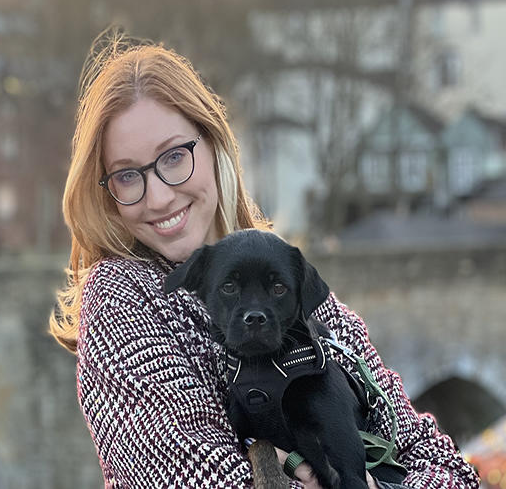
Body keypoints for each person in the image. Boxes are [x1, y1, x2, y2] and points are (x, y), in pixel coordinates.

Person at [49, 34, 479, 489]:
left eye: (174, 157)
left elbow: (446, 468)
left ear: (213, 143)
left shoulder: (287, 279)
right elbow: (203, 480)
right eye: (127, 175)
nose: (157, 196)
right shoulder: (122, 299)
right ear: (107, 189)